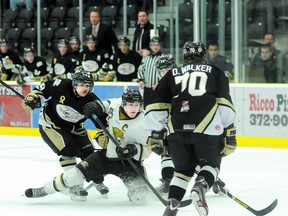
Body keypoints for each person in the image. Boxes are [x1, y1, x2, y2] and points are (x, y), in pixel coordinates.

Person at [144, 41, 236, 216]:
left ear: (184, 55)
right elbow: (225, 106)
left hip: (176, 132)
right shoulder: (216, 72)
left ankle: (171, 207)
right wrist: (229, 132)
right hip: (207, 130)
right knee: (211, 166)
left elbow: (155, 106)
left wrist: (155, 133)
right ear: (204, 55)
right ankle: (201, 186)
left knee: (182, 172)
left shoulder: (171, 73)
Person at [24, 89, 152, 204]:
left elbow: (148, 148)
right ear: (123, 104)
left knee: (140, 198)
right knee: (73, 175)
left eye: (136, 105)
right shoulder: (116, 104)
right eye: (130, 105)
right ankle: (45, 190)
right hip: (107, 157)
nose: (134, 108)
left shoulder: (144, 123)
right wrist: (96, 106)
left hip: (130, 162)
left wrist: (133, 150)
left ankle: (138, 185)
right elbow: (106, 104)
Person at [21, 69, 109, 201]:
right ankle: (74, 184)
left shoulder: (92, 101)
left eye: (87, 85)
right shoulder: (61, 85)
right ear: (74, 84)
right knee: (69, 150)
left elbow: (103, 122)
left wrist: (105, 134)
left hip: (75, 127)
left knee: (90, 154)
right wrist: (33, 98)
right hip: (51, 124)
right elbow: (42, 90)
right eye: (81, 85)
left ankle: (98, 181)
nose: (85, 88)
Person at [153, 53, 177, 195]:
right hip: (169, 125)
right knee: (166, 151)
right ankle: (168, 181)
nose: (165, 73)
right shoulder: (160, 86)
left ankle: (208, 177)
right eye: (162, 71)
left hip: (185, 124)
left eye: (168, 70)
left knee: (190, 152)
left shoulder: (182, 83)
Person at [137, 36, 162, 108]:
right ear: (150, 46)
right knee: (146, 107)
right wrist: (141, 80)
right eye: (153, 45)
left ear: (160, 46)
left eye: (157, 45)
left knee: (157, 107)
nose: (155, 47)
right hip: (147, 88)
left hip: (158, 89)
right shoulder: (146, 57)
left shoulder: (163, 58)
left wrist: (159, 83)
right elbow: (141, 69)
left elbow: (166, 73)